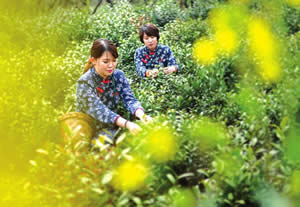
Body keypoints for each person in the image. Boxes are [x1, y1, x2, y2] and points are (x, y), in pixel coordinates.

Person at [76, 38, 151, 143]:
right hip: (87, 131)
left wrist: (142, 115)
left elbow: (129, 99)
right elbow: (100, 110)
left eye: (114, 61)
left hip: (111, 127)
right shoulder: (84, 82)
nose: (111, 66)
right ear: (94, 61)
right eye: (105, 62)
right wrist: (127, 124)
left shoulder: (118, 75)